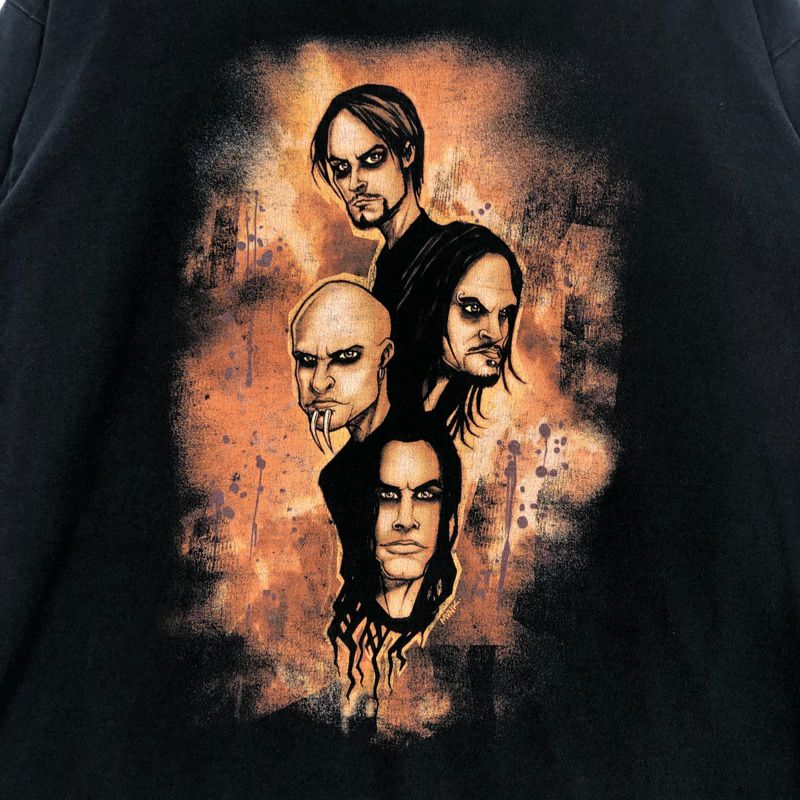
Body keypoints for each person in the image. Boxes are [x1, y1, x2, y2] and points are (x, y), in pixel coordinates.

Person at [310, 84, 524, 437]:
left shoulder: (453, 255)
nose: (355, 183)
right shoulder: (389, 262)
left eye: (372, 159)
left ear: (407, 153)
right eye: (341, 168)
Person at [327, 417, 461, 700]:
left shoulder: (458, 631)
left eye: (426, 495)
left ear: (446, 512)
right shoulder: (336, 639)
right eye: (387, 495)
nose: (405, 520)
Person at [289, 278, 394, 451]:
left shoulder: (403, 454)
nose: (318, 384)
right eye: (307, 360)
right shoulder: (355, 455)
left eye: (346, 356)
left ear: (383, 357)